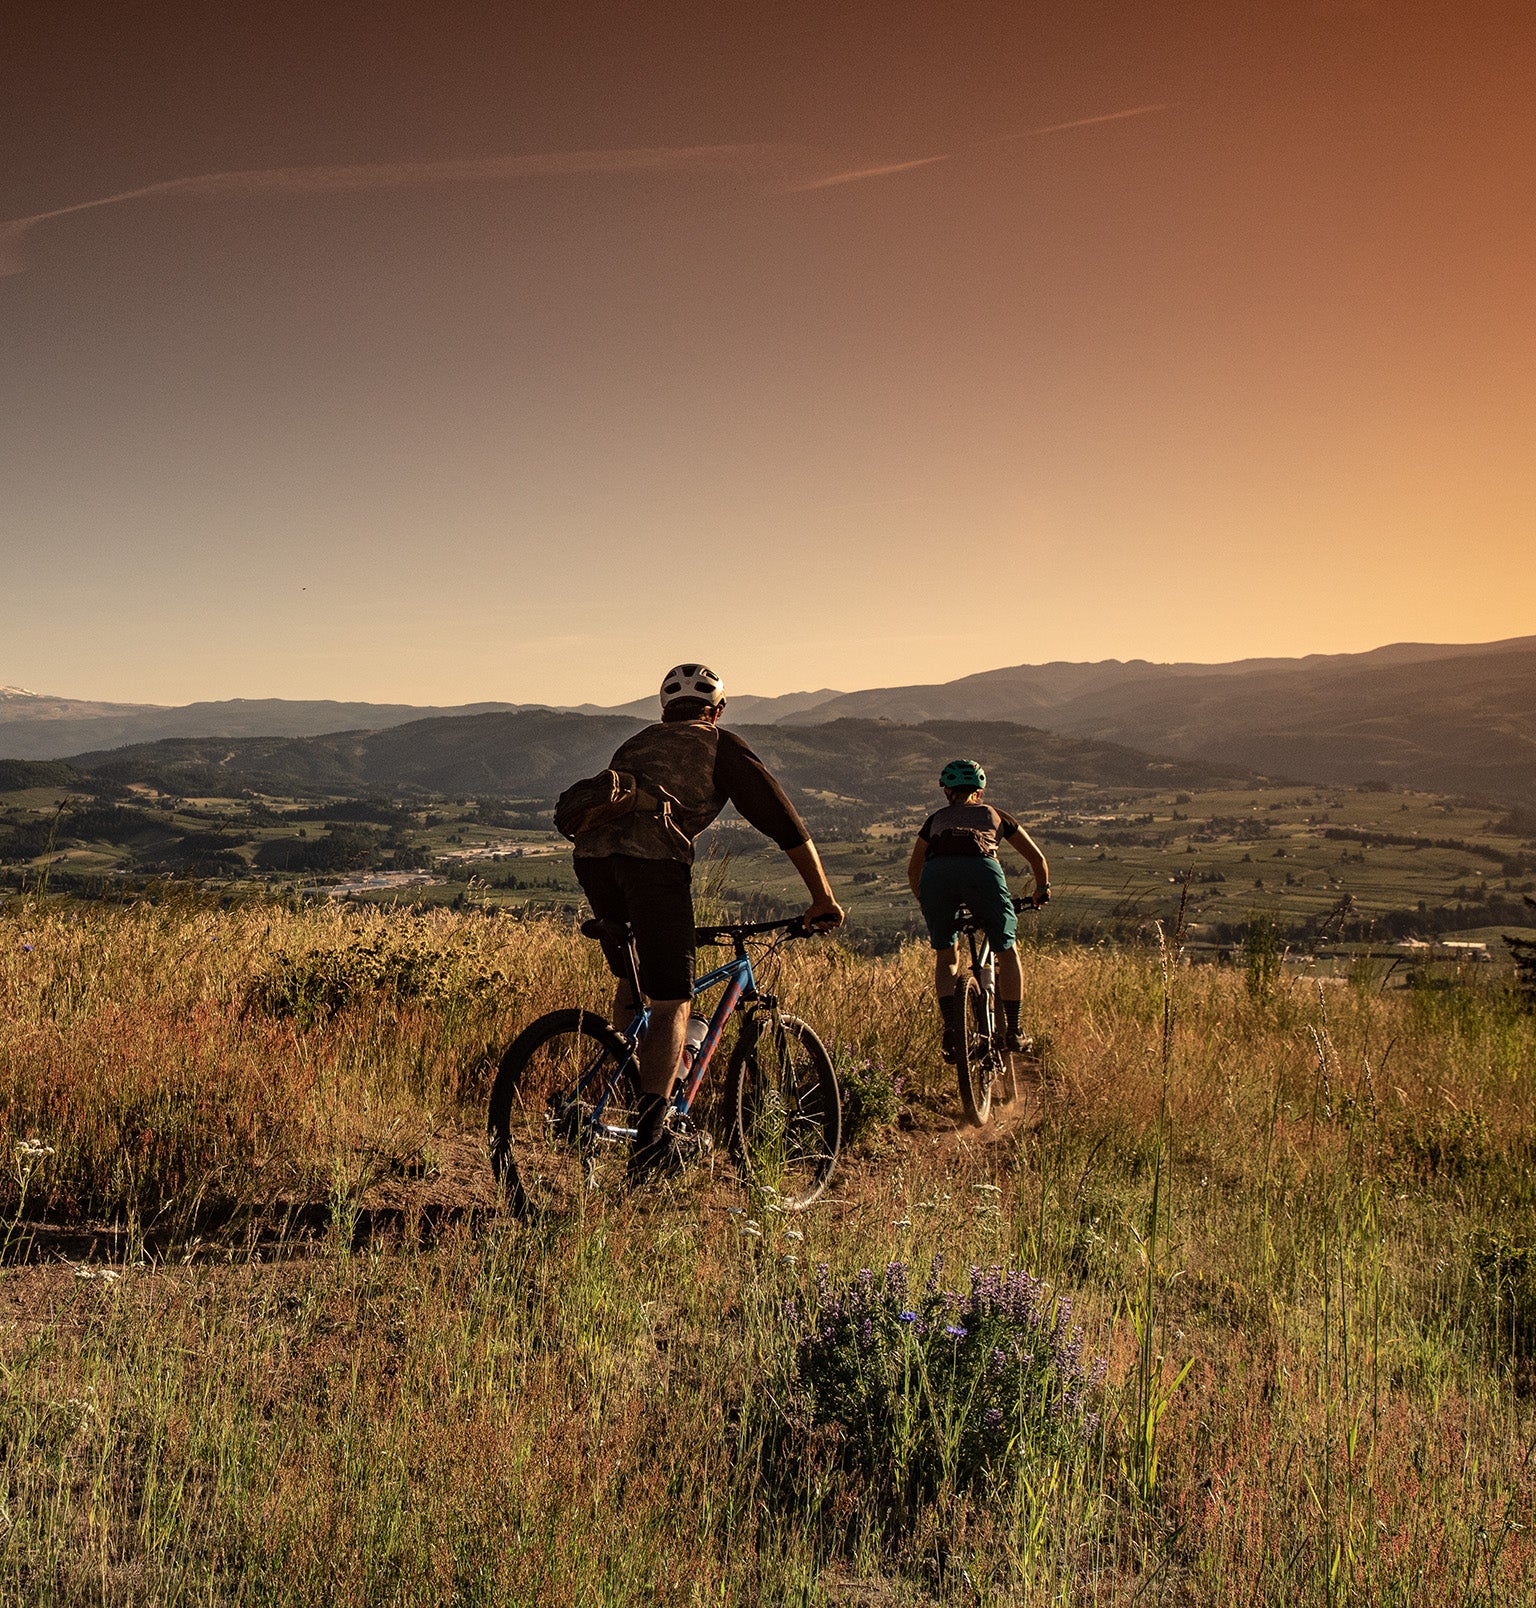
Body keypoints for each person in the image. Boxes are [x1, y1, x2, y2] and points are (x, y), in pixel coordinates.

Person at [570, 662, 844, 1177]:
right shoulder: (719, 744)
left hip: (593, 861)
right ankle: (650, 1140)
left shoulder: (636, 743)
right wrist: (822, 897)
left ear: (663, 710)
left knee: (636, 986)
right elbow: (784, 822)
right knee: (673, 998)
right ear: (716, 711)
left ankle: (627, 1096)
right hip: (652, 864)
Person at [906, 759, 1049, 1061]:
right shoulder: (995, 815)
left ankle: (952, 1028)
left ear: (947, 791)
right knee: (1006, 949)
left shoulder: (935, 820)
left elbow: (914, 868)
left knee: (947, 955)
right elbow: (1037, 859)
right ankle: (1014, 1029)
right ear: (979, 792)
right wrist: (1041, 890)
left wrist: (925, 900)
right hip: (982, 873)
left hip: (936, 878)